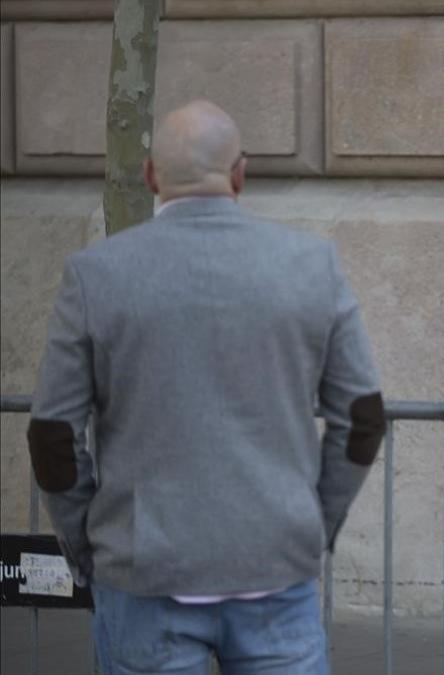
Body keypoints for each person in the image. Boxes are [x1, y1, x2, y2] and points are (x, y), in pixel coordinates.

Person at [26, 100, 385, 674]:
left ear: (149, 175)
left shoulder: (97, 274)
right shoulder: (310, 264)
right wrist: (314, 522)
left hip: (143, 570)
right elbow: (363, 417)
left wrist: (88, 545)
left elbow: (51, 436)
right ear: (240, 173)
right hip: (274, 565)